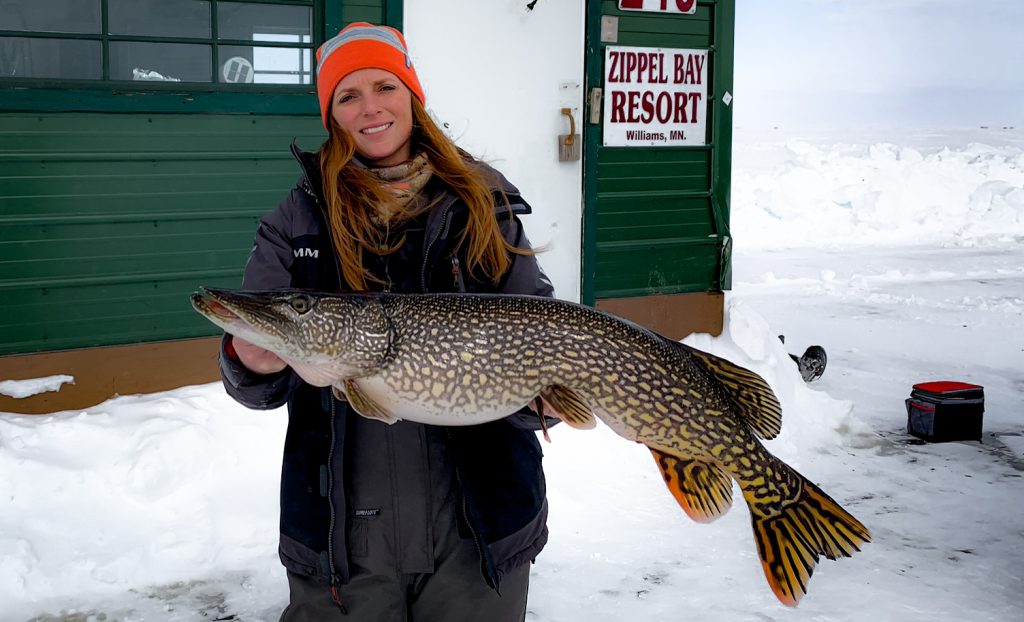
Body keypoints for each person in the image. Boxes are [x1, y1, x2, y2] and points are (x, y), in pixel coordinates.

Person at [218, 22, 554, 621]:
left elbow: (537, 335)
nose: (370, 108)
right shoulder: (295, 223)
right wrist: (249, 361)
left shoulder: (484, 203)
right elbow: (257, 371)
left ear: (412, 97)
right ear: (332, 116)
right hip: (340, 536)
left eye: (384, 87)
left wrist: (549, 398)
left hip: (477, 528)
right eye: (347, 96)